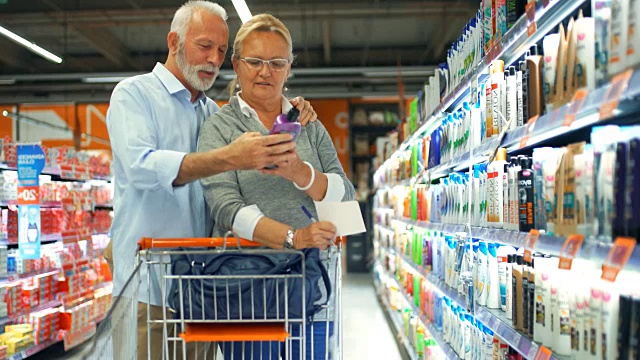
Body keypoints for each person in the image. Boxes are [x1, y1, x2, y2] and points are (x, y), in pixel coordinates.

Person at [103, 2, 319, 359]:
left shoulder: (210, 112)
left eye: (221, 50)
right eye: (204, 45)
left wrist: (290, 111)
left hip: (202, 288)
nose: (213, 59)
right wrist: (227, 157)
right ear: (173, 41)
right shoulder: (134, 95)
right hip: (148, 285)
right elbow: (140, 168)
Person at [197, 13, 356, 359]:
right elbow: (225, 207)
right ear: (237, 66)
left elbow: (347, 198)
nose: (265, 71)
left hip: (312, 287)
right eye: (254, 61)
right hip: (247, 290)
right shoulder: (219, 128)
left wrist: (301, 173)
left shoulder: (308, 124)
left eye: (276, 62)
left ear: (288, 68)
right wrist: (294, 238)